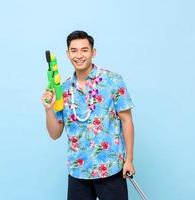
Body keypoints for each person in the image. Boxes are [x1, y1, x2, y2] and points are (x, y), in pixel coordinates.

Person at [41, 30, 135, 200]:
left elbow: (126, 120)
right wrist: (48, 108)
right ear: (68, 53)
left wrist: (129, 160)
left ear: (93, 52)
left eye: (84, 50)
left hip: (110, 169)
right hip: (78, 172)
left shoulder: (112, 80)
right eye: (74, 50)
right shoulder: (62, 89)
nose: (79, 55)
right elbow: (55, 134)